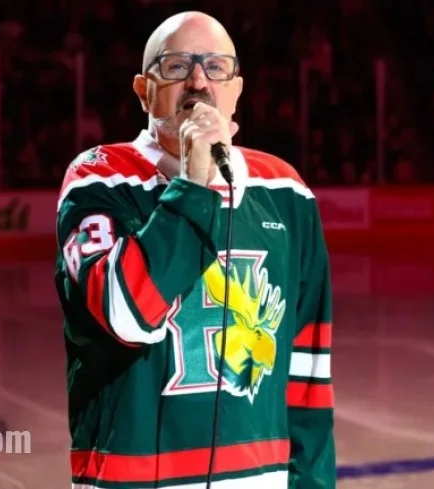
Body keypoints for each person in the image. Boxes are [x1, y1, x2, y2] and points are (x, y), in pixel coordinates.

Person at [54, 11, 335, 488]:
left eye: (216, 67)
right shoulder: (99, 178)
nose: (199, 80)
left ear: (236, 89)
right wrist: (193, 182)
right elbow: (125, 313)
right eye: (177, 66)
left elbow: (308, 367)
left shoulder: (287, 191)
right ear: (144, 90)